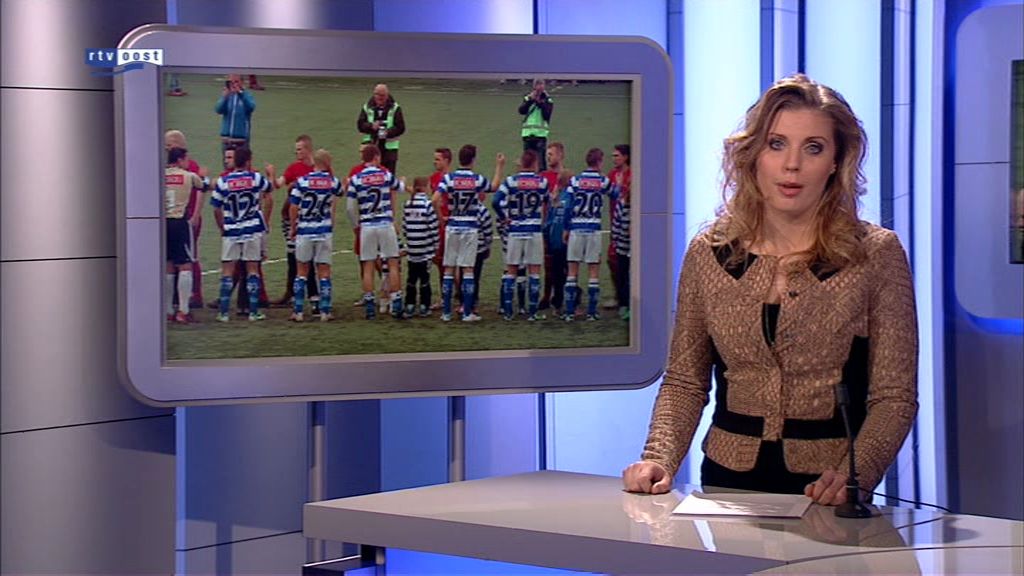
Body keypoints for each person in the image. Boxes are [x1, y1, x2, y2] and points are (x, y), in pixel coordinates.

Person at [622, 74, 918, 506]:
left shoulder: (875, 254)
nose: (792, 164)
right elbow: (685, 381)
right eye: (776, 144)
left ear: (836, 161)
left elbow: (894, 397)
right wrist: (658, 458)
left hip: (829, 489)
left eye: (813, 148)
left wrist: (857, 473)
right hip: (727, 482)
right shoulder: (709, 253)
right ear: (753, 154)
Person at [435, 145, 506, 322]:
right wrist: (499, 166)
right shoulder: (477, 179)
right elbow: (494, 186)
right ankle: (467, 312)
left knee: (449, 270)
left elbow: (435, 199)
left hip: (452, 226)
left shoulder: (448, 178)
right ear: (473, 160)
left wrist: (441, 218)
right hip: (470, 227)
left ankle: (446, 313)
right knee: (468, 270)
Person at [210, 146, 272, 322]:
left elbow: (216, 207)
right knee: (252, 270)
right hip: (252, 229)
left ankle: (223, 313)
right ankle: (253, 312)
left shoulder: (224, 181)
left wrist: (222, 226)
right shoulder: (256, 178)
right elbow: (269, 189)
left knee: (227, 271)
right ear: (248, 161)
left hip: (231, 230)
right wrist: (270, 174)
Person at [346, 144, 405, 319]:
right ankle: (396, 303)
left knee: (368, 266)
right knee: (392, 263)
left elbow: (349, 208)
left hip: (367, 226)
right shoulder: (385, 174)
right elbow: (400, 188)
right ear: (377, 157)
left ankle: (370, 307)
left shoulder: (356, 179)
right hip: (385, 223)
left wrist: (356, 225)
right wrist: (402, 180)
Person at [288, 149, 343, 322]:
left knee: (301, 271)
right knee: (324, 272)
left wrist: (293, 226)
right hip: (324, 231)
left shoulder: (302, 181)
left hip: (305, 230)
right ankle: (325, 311)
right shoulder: (332, 182)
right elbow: (340, 192)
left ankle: (298, 312)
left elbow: (293, 206)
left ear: (314, 162)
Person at [493, 149, 548, 321]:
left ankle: (509, 312)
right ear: (534, 163)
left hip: (515, 231)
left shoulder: (510, 181)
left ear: (522, 163)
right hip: (534, 230)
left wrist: (504, 218)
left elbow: (495, 201)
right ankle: (532, 312)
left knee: (511, 271)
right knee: (534, 273)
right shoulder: (542, 182)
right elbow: (547, 202)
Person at [562, 148, 616, 321]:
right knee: (593, 271)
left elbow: (567, 206)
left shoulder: (575, 180)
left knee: (572, 271)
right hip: (594, 229)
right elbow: (615, 193)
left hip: (576, 229)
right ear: (599, 162)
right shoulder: (603, 181)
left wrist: (566, 228)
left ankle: (569, 312)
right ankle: (592, 313)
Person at [268, 135, 319, 309]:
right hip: (291, 218)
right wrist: (272, 175)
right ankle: (291, 293)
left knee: (307, 258)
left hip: (310, 219)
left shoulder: (319, 168)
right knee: (292, 255)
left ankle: (312, 295)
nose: (297, 152)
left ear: (308, 149)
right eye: (296, 149)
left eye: (299, 149)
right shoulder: (294, 168)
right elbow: (278, 184)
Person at [164, 147, 207, 323]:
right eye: (186, 159)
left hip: (163, 224)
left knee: (168, 265)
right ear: (180, 160)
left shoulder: (160, 175)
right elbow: (204, 186)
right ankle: (183, 311)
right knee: (185, 265)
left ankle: (167, 311)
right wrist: (204, 176)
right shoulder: (188, 176)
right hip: (180, 223)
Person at [402, 177, 440, 317]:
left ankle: (410, 305)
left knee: (411, 279)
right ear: (425, 188)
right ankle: (424, 306)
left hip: (412, 249)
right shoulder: (428, 205)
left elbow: (405, 227)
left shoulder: (408, 204)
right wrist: (436, 245)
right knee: (425, 279)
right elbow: (433, 227)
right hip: (425, 250)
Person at [539, 142, 570, 311]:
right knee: (549, 263)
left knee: (565, 263)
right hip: (548, 226)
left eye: (551, 154)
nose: (548, 157)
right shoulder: (543, 177)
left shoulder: (568, 177)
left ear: (561, 155)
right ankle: (546, 295)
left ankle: (564, 295)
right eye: (547, 154)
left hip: (563, 228)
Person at [357, 83, 405, 174]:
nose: (379, 98)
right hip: (370, 147)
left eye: (382, 96)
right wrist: (371, 126)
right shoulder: (367, 107)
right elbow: (360, 125)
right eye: (377, 95)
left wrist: (388, 132)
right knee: (369, 174)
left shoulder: (395, 108)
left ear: (387, 95)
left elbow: (401, 128)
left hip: (389, 150)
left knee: (388, 175)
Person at [608, 144, 633, 319]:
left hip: (625, 225)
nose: (614, 159)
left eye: (617, 155)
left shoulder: (633, 174)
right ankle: (620, 297)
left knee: (625, 265)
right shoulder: (611, 175)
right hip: (617, 221)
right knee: (614, 261)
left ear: (625, 157)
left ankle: (626, 300)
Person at [429, 147, 453, 308]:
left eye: (438, 159)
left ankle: (457, 296)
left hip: (450, 224)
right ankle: (445, 297)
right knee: (440, 263)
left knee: (453, 263)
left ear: (447, 161)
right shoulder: (433, 178)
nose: (435, 162)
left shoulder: (453, 179)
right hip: (439, 226)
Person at [518, 79, 553, 171]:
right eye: (537, 85)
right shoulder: (528, 98)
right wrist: (531, 100)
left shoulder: (548, 100)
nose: (539, 87)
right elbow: (521, 110)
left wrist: (539, 102)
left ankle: (542, 178)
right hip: (527, 134)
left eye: (541, 85)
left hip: (540, 135)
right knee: (527, 162)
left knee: (541, 162)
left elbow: (546, 115)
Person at [215, 74, 256, 151]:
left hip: (241, 139)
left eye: (236, 81)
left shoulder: (247, 95)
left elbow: (251, 107)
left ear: (242, 82)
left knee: (241, 159)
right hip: (226, 139)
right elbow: (218, 109)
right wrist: (224, 97)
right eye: (231, 82)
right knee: (226, 159)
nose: (233, 84)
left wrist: (240, 93)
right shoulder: (227, 96)